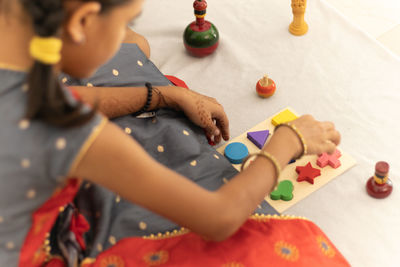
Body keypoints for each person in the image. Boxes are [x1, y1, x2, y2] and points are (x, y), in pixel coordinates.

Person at [0, 0, 348, 266]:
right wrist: (288, 140)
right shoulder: (60, 127)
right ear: (81, 21)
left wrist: (164, 93)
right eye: (126, 22)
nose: (130, 36)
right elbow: (218, 217)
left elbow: (78, 98)